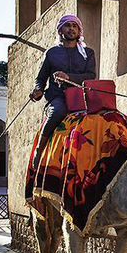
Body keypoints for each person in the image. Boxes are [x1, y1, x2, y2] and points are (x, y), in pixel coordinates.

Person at [29, 15, 96, 169]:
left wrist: (69, 77)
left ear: (79, 31)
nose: (71, 29)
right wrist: (38, 90)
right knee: (58, 112)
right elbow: (41, 78)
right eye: (68, 26)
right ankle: (40, 149)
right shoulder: (52, 53)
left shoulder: (88, 53)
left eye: (75, 26)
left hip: (81, 97)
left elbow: (91, 76)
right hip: (57, 97)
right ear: (61, 30)